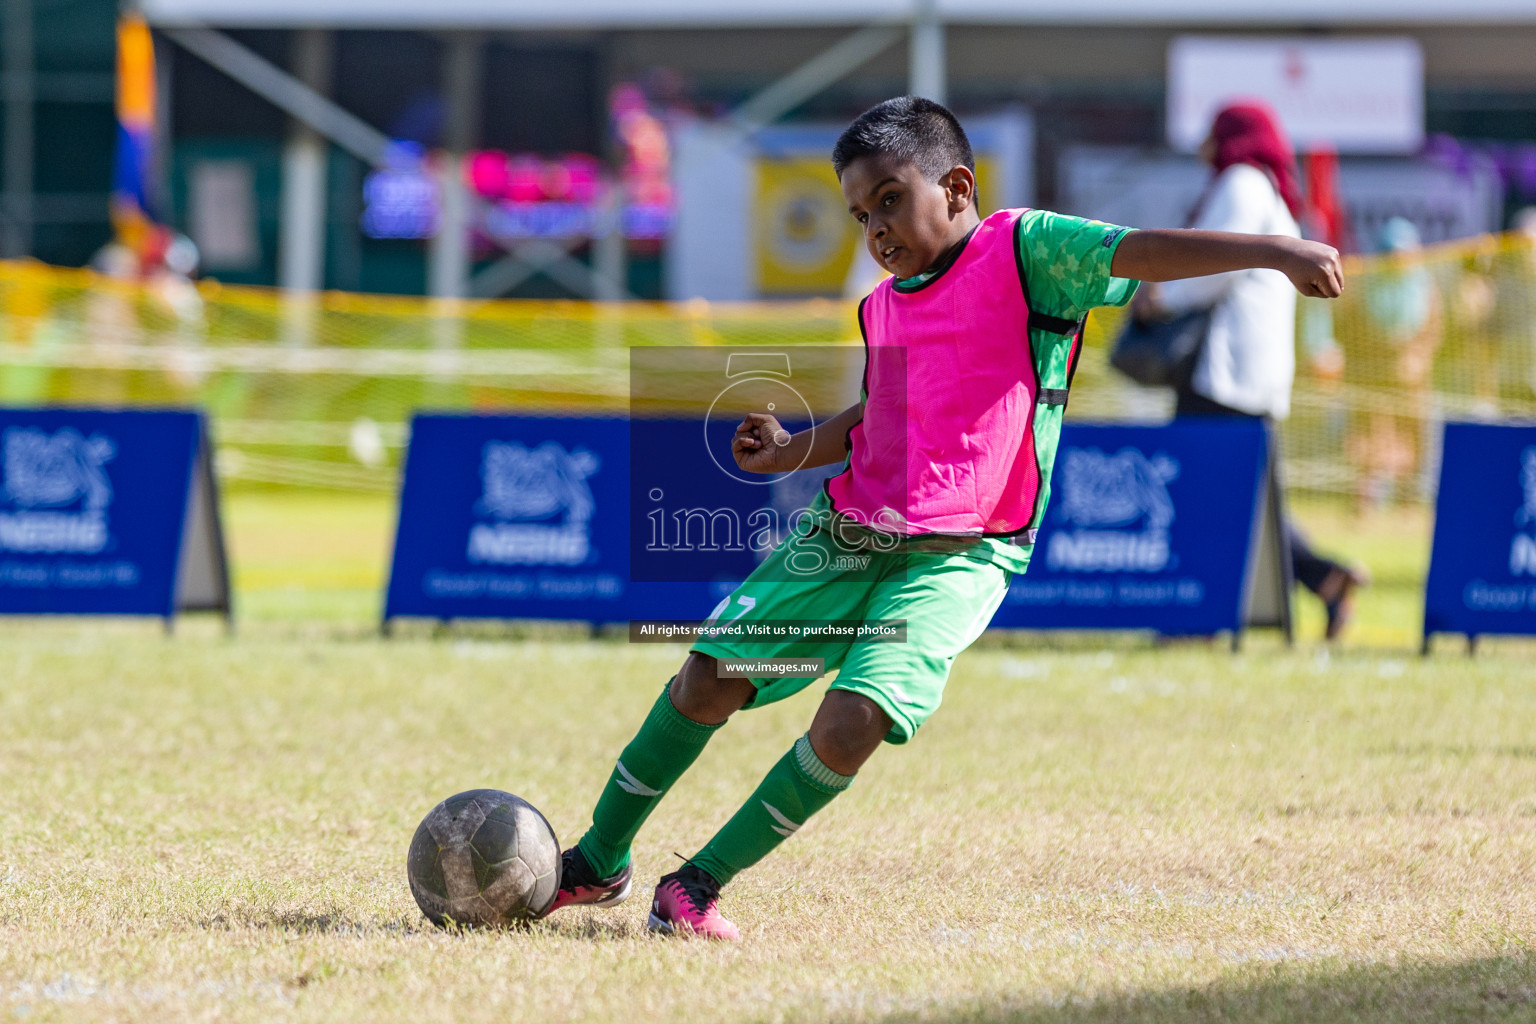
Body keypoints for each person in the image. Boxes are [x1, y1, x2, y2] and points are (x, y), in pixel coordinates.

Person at [547, 96, 1343, 940]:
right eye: (862, 215)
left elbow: (1136, 252)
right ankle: (598, 861)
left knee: (854, 720)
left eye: (890, 199)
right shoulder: (882, 304)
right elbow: (878, 415)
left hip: (961, 557)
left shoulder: (1025, 248)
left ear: (956, 185)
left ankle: (697, 885)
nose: (876, 230)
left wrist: (1277, 252)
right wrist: (790, 450)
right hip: (847, 534)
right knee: (704, 681)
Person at [1141, 102, 1368, 640]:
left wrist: (1160, 297)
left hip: (1224, 375)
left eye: (1214, 135)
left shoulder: (1241, 182)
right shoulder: (1268, 189)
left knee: (1199, 494)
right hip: (1253, 376)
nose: (1204, 147)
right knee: (1244, 498)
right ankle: (1324, 579)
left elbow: (1211, 267)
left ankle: (1194, 614)